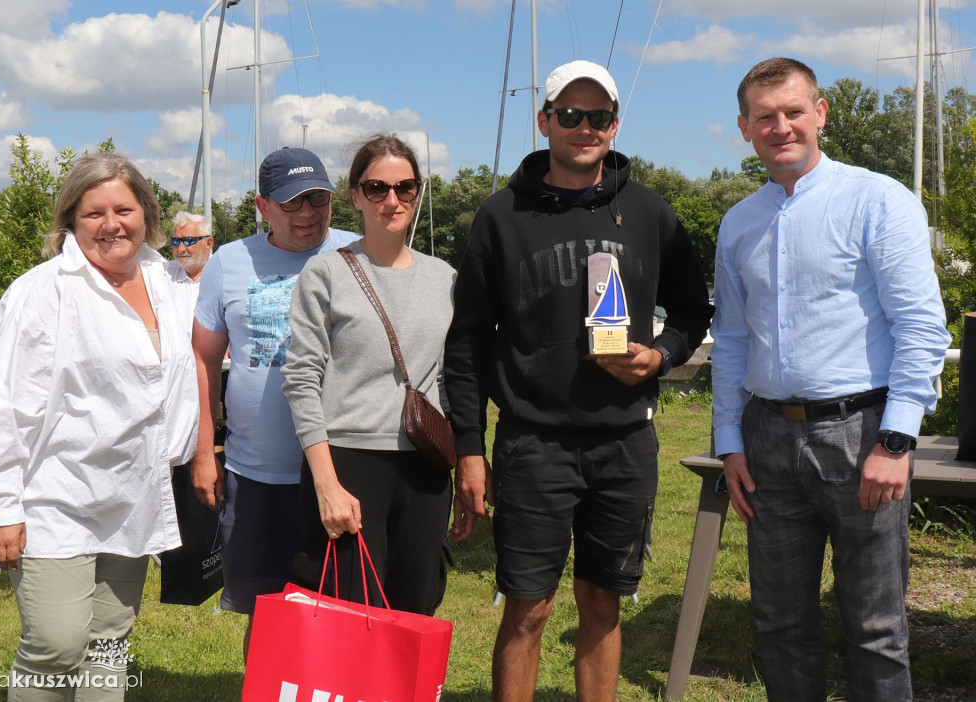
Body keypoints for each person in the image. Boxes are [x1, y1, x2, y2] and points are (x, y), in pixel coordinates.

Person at [445, 60, 713, 701]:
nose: (584, 127)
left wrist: (662, 355)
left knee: (602, 603)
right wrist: (469, 449)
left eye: (598, 117)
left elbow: (695, 308)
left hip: (624, 442)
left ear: (615, 125)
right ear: (545, 121)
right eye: (569, 115)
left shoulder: (650, 211)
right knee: (528, 609)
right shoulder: (501, 215)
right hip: (533, 443)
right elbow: (467, 343)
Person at [711, 57, 951, 701]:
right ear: (745, 127)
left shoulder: (877, 201)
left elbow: (922, 328)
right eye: (765, 116)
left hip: (862, 436)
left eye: (794, 111)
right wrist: (728, 441)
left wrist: (896, 442)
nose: (781, 126)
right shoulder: (738, 224)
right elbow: (732, 339)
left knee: (875, 628)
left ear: (821, 113)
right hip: (765, 441)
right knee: (779, 625)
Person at [0, 153, 199, 701]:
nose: (111, 224)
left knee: (110, 642)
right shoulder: (43, 292)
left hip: (134, 492)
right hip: (56, 495)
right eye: (94, 213)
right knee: (57, 642)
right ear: (71, 220)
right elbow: (0, 403)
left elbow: (192, 372)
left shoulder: (170, 280)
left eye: (124, 208)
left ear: (146, 212)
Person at [190, 147, 358, 658]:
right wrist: (204, 451)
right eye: (291, 203)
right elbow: (202, 360)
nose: (307, 213)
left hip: (344, 469)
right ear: (263, 206)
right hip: (256, 471)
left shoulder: (358, 252)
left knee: (342, 611)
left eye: (318, 199)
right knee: (265, 612)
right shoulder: (228, 261)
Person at [281, 134, 455, 615]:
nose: (391, 200)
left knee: (415, 609)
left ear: (418, 193)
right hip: (349, 464)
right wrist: (326, 484)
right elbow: (301, 379)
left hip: (424, 466)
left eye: (405, 187)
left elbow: (450, 376)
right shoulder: (326, 273)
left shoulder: (444, 278)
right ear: (355, 195)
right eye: (377, 188)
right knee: (348, 615)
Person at [169, 211, 214, 282]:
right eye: (175, 241)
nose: (180, 249)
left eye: (188, 241)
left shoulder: (225, 275)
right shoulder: (163, 275)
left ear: (208, 244)